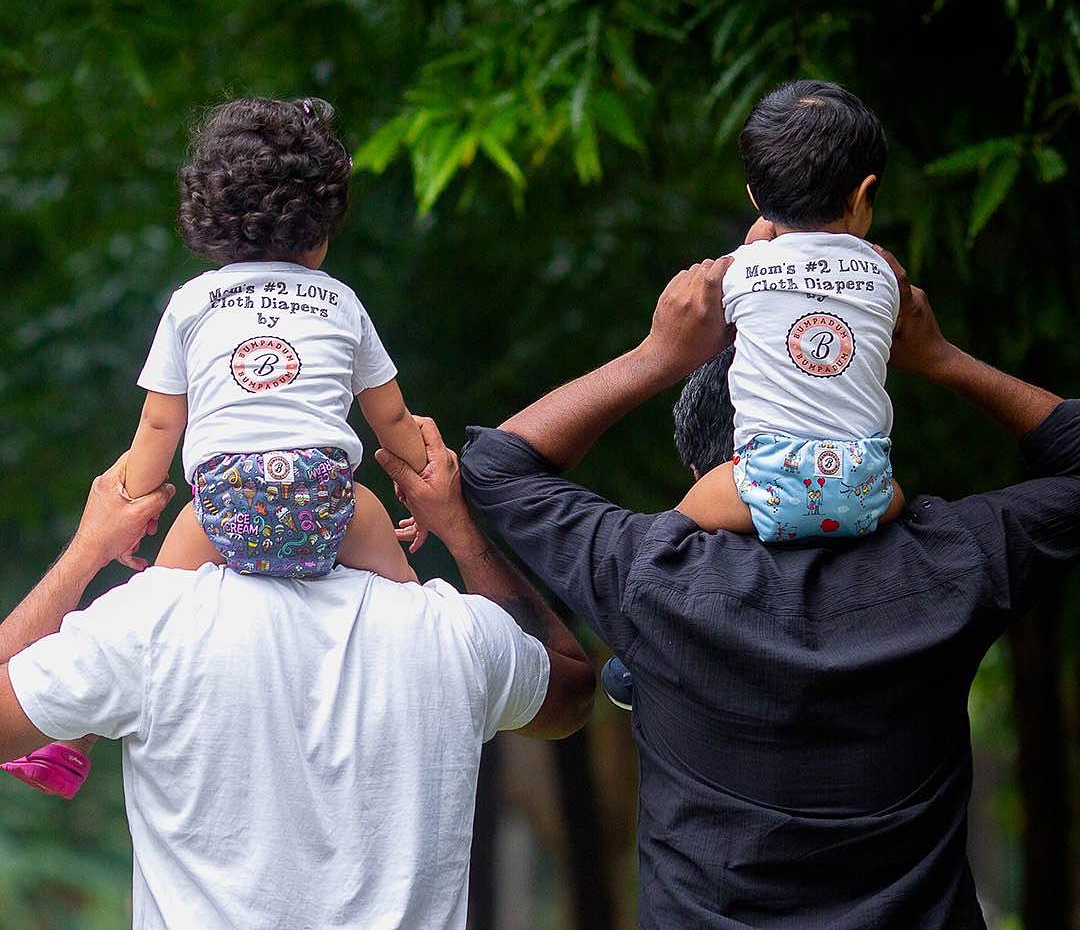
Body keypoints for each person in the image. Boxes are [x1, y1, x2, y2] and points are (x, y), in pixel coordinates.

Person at [459, 255, 1080, 927]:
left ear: (704, 466)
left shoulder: (656, 579)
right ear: (862, 441)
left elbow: (498, 466)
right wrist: (940, 357)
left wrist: (658, 354)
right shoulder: (950, 562)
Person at [0, 427, 595, 929]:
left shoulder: (153, 620)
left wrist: (89, 548)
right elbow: (570, 691)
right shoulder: (451, 632)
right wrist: (459, 527)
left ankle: (71, 732)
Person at [4, 95, 428, 798]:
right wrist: (419, 480)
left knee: (143, 611)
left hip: (221, 506)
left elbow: (159, 429)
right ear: (322, 227)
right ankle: (425, 709)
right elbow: (391, 419)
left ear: (211, 219)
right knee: (423, 625)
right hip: (333, 500)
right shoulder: (342, 302)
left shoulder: (193, 302)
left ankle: (68, 739)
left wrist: (136, 505)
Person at [679, 81, 904, 543]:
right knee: (901, 495)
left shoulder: (741, 270)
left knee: (674, 526)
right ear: (865, 195)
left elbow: (759, 267)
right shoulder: (884, 277)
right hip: (866, 488)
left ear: (755, 198)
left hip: (762, 485)